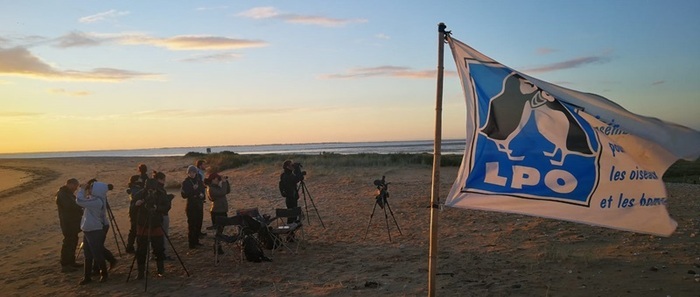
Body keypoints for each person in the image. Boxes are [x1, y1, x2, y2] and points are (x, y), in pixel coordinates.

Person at [133, 177, 172, 279]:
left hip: (156, 223)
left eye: (153, 189)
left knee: (159, 248)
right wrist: (137, 204)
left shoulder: (161, 193)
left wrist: (157, 208)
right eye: (149, 189)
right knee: (141, 250)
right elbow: (132, 208)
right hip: (143, 224)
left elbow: (167, 206)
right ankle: (141, 272)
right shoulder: (140, 194)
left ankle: (160, 270)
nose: (151, 191)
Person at [75, 181, 111, 284]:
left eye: (91, 188)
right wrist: (85, 191)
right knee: (88, 254)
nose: (89, 189)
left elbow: (79, 201)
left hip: (94, 230)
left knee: (97, 254)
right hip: (88, 230)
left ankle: (104, 274)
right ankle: (87, 277)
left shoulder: (97, 201)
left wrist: (81, 189)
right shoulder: (96, 199)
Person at [56, 178, 83, 273]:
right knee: (68, 242)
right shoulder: (62, 194)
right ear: (70, 184)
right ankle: (65, 264)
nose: (75, 189)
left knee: (73, 241)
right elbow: (69, 206)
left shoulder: (67, 193)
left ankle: (71, 261)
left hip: (73, 222)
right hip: (68, 223)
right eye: (75, 186)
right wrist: (80, 206)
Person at [181, 165, 205, 249]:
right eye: (190, 172)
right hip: (191, 206)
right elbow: (184, 195)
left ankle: (196, 240)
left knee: (199, 223)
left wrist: (202, 195)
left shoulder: (199, 180)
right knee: (191, 225)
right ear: (188, 173)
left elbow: (202, 190)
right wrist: (192, 189)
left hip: (199, 205)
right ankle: (191, 243)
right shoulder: (186, 182)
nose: (192, 174)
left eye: (193, 172)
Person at [205, 172, 230, 254]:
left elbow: (227, 191)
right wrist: (223, 182)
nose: (218, 180)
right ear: (212, 179)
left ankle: (217, 247)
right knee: (218, 231)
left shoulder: (216, 186)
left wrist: (226, 182)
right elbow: (222, 192)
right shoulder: (210, 188)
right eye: (217, 178)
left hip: (221, 210)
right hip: (217, 212)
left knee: (220, 230)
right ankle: (217, 247)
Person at [125, 175, 143, 254]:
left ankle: (130, 246)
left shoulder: (133, 188)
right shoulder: (136, 190)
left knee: (133, 229)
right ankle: (131, 247)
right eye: (139, 179)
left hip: (133, 211)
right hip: (136, 211)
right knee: (135, 229)